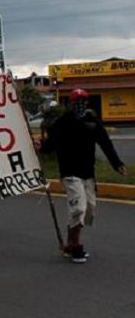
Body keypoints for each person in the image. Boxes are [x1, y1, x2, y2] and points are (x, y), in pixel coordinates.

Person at [36, 88, 127, 263]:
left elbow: (105, 143)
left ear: (87, 103)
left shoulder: (92, 122)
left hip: (88, 173)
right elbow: (51, 144)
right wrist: (41, 146)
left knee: (89, 210)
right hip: (70, 173)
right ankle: (76, 246)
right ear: (70, 103)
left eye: (82, 100)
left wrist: (117, 164)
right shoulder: (63, 122)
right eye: (76, 101)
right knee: (78, 208)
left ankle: (69, 243)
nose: (79, 104)